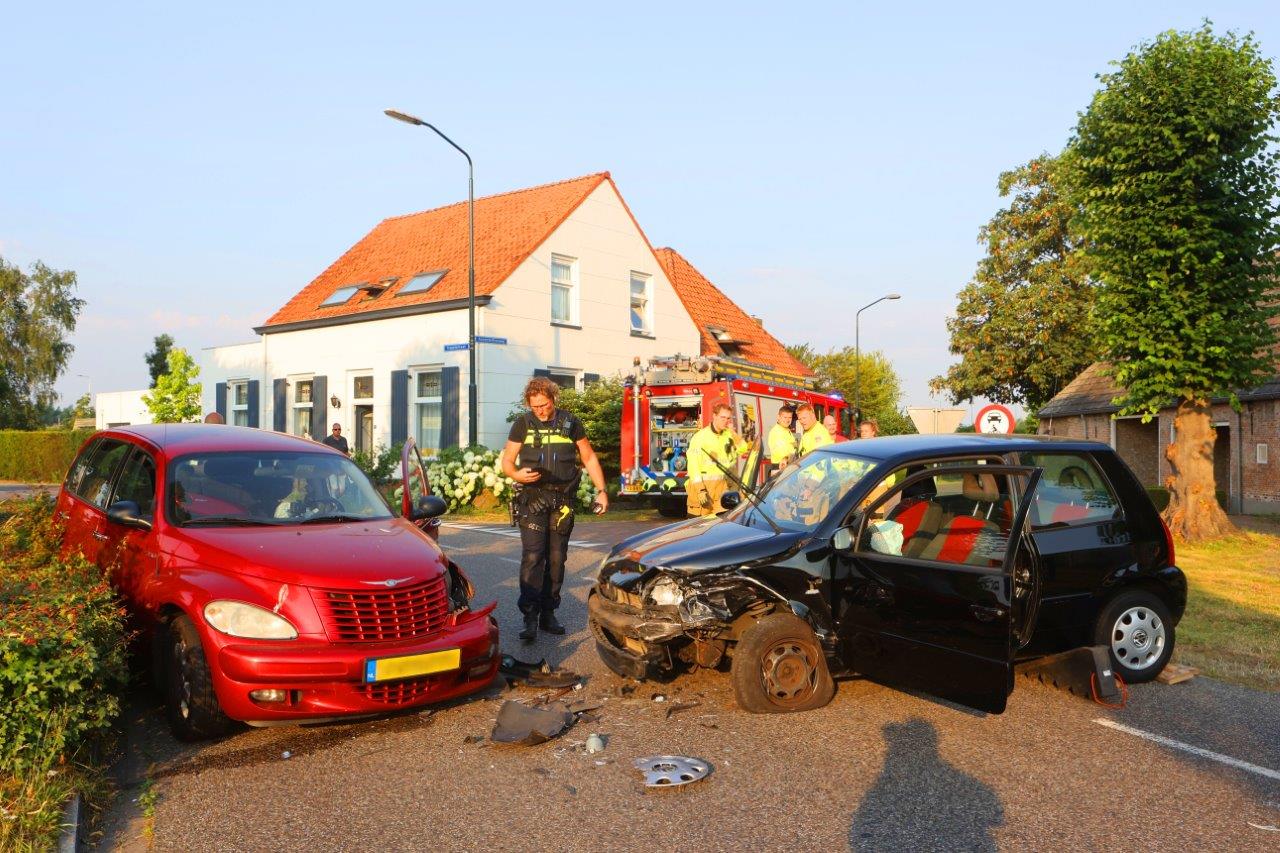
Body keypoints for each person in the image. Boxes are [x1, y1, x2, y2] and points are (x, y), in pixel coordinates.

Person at [501, 377, 609, 642]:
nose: (540, 410)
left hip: (562, 502)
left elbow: (589, 457)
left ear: (554, 399)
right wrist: (516, 474)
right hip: (532, 499)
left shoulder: (571, 423)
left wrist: (602, 491)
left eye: (544, 404)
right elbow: (507, 459)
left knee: (557, 559)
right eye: (535, 405)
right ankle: (530, 617)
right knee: (533, 557)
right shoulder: (523, 424)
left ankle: (549, 613)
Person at [686, 403, 749, 516]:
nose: (725, 421)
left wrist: (733, 432)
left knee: (719, 529)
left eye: (728, 418)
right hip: (703, 493)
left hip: (721, 493)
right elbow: (693, 467)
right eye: (722, 417)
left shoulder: (728, 436)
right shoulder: (700, 437)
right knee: (698, 530)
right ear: (714, 416)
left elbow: (743, 448)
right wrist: (700, 490)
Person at [767, 406, 797, 475]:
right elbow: (783, 452)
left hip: (787, 470)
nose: (787, 420)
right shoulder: (776, 432)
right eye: (785, 417)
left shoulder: (787, 431)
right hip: (780, 470)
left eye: (790, 417)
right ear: (778, 417)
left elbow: (793, 448)